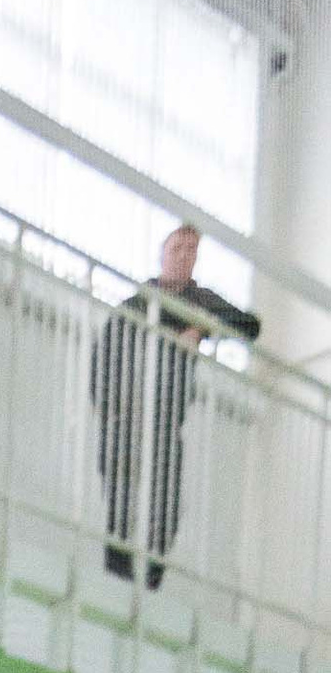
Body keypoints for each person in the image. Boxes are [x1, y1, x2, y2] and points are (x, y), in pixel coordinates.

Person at [91, 224, 261, 586]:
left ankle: (151, 575)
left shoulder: (199, 301)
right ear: (163, 253)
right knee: (120, 490)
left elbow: (250, 326)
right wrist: (105, 406)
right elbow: (104, 350)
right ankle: (117, 570)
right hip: (125, 413)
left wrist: (202, 328)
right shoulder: (140, 300)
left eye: (191, 250)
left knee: (165, 501)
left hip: (167, 418)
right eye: (178, 247)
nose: (185, 254)